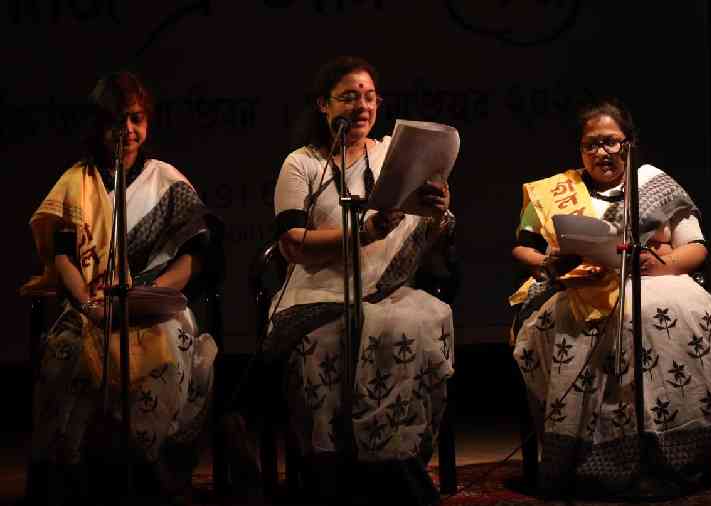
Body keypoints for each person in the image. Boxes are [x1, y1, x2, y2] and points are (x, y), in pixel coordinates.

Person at [511, 97, 711, 497]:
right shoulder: (555, 191)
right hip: (578, 287)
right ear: (580, 150)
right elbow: (522, 248)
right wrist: (548, 261)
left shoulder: (654, 185)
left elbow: (696, 248)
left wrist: (658, 265)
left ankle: (668, 455)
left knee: (658, 313)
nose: (602, 152)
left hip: (655, 281)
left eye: (612, 142)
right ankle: (590, 462)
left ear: (629, 144)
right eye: (592, 144)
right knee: (572, 321)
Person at [21, 71, 222, 504]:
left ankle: (150, 475)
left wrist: (153, 293)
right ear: (99, 126)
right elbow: (63, 257)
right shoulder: (77, 181)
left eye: (136, 119)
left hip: (158, 304)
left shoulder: (165, 179)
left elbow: (195, 255)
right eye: (117, 121)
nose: (127, 131)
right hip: (93, 303)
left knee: (164, 348)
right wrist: (89, 303)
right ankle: (76, 482)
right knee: (66, 355)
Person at [264, 56, 454, 505]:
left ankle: (394, 469)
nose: (362, 105)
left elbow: (431, 230)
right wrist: (363, 231)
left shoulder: (394, 154)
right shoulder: (303, 163)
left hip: (387, 290)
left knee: (415, 328)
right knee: (326, 346)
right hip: (318, 291)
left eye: (369, 96)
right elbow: (291, 242)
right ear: (323, 106)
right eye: (349, 96)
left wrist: (438, 207)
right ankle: (333, 479)